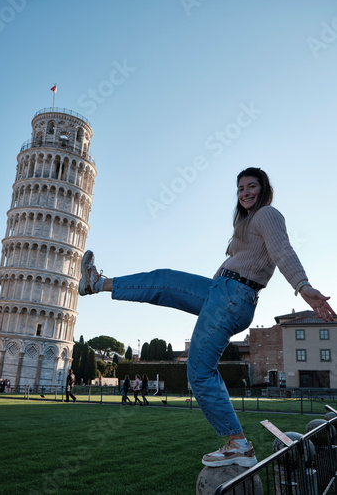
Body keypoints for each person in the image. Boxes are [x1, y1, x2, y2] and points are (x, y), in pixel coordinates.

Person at [78, 167, 335, 467]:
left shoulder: (268, 214)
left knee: (199, 372)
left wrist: (302, 286)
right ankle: (96, 283)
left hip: (233, 296)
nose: (245, 192)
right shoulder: (246, 222)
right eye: (240, 188)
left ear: (263, 189)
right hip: (220, 291)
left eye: (252, 186)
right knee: (164, 280)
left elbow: (283, 250)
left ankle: (238, 444)